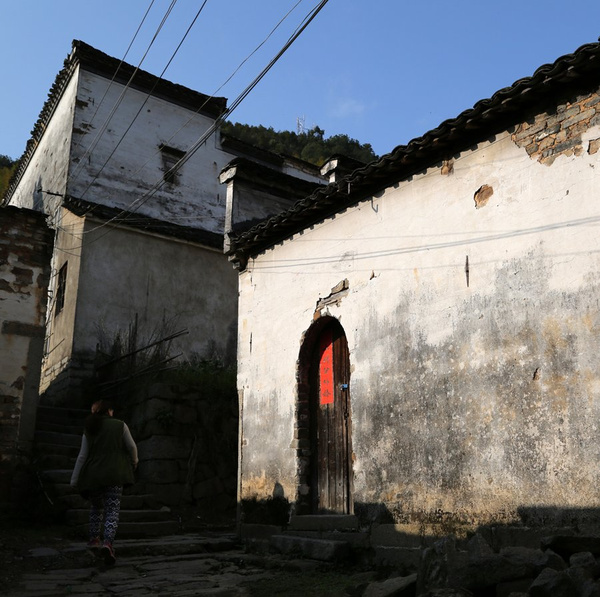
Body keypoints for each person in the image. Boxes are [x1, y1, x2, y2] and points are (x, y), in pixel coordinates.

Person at [71, 399, 138, 565]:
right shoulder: (120, 425)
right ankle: (108, 543)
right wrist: (135, 461)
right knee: (112, 509)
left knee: (96, 507)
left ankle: (94, 539)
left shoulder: (90, 428)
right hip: (116, 474)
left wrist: (74, 478)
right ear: (109, 411)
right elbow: (132, 447)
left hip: (93, 475)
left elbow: (82, 456)